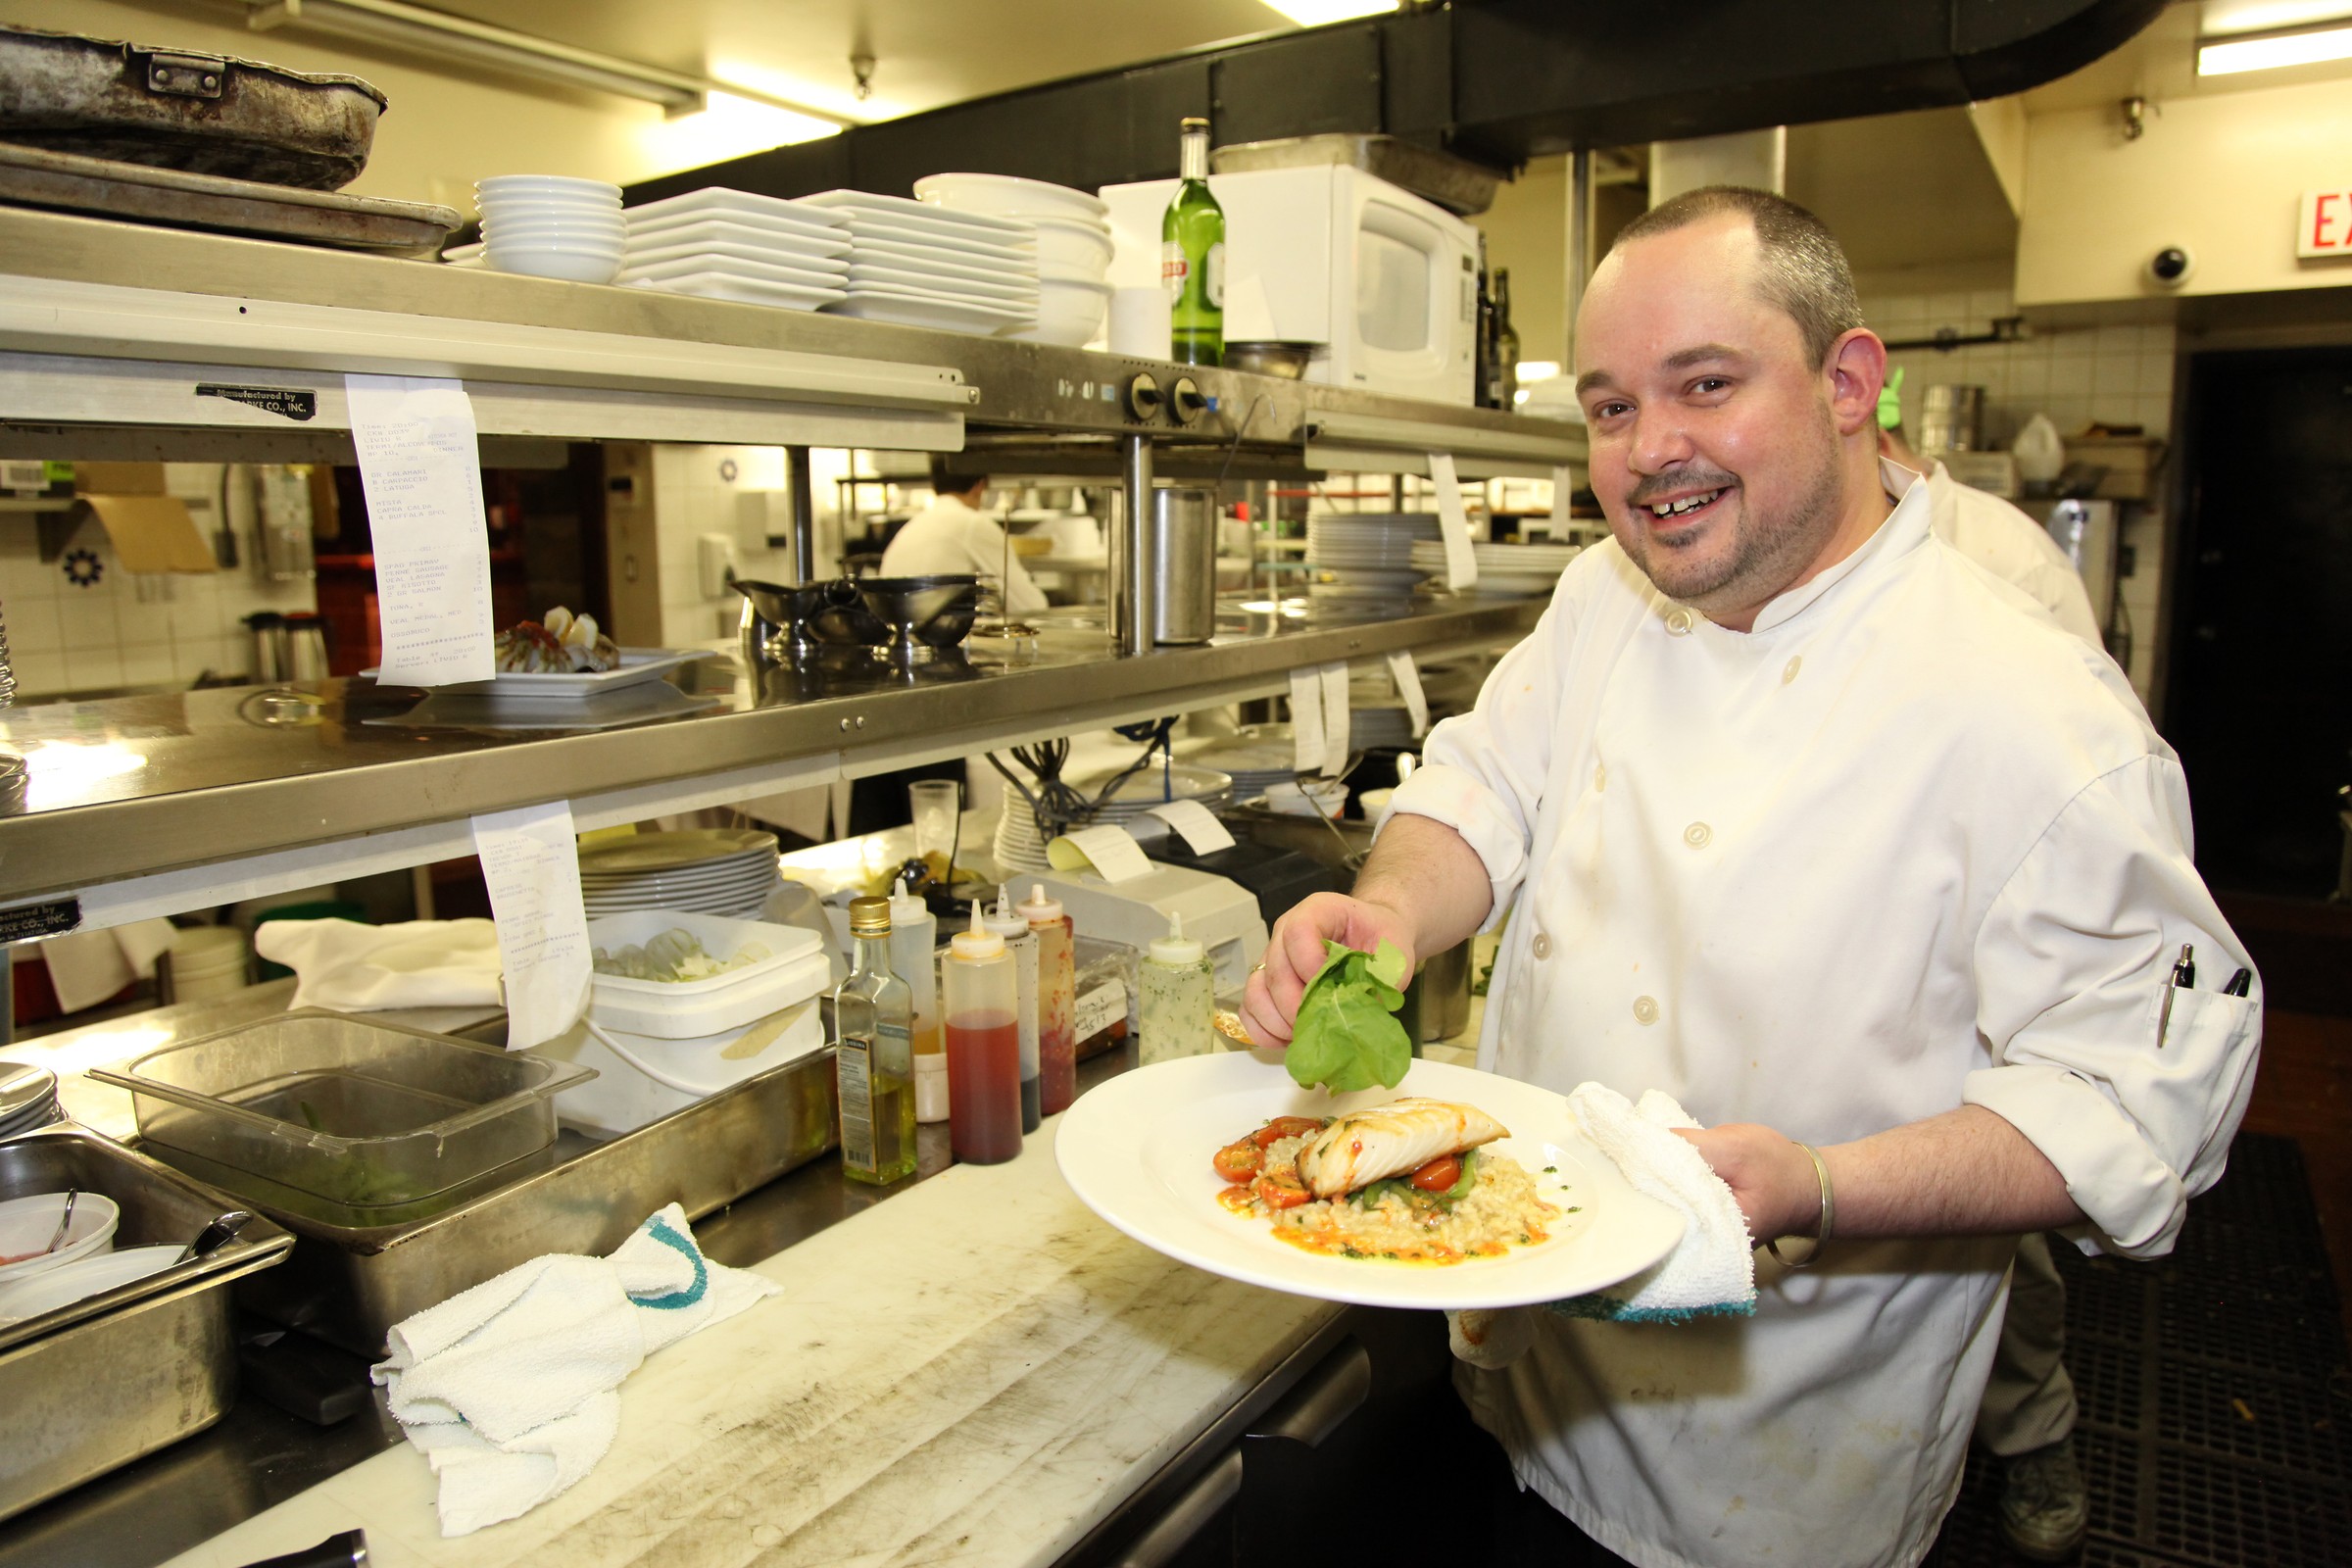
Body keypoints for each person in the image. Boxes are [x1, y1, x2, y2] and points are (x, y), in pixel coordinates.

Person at [1239, 186, 2261, 1568]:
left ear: (1848, 384)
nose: (1650, 449)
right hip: (1528, 1358)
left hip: (1782, 1448)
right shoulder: (1604, 594)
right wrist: (1391, 909)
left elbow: (2133, 1102)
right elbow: (1484, 786)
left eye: (1705, 384)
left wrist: (1822, 1187)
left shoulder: (2033, 710)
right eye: (1610, 407)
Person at [1880, 409, 2098, 1561]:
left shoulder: (2005, 556)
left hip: (1971, 965)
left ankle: (2034, 1432)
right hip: (1842, 970)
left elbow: (2083, 780)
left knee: (2001, 1230)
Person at [878, 462, 1048, 615]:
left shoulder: (914, 525)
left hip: (895, 632)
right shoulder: (973, 523)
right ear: (980, 486)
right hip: (939, 634)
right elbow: (1030, 604)